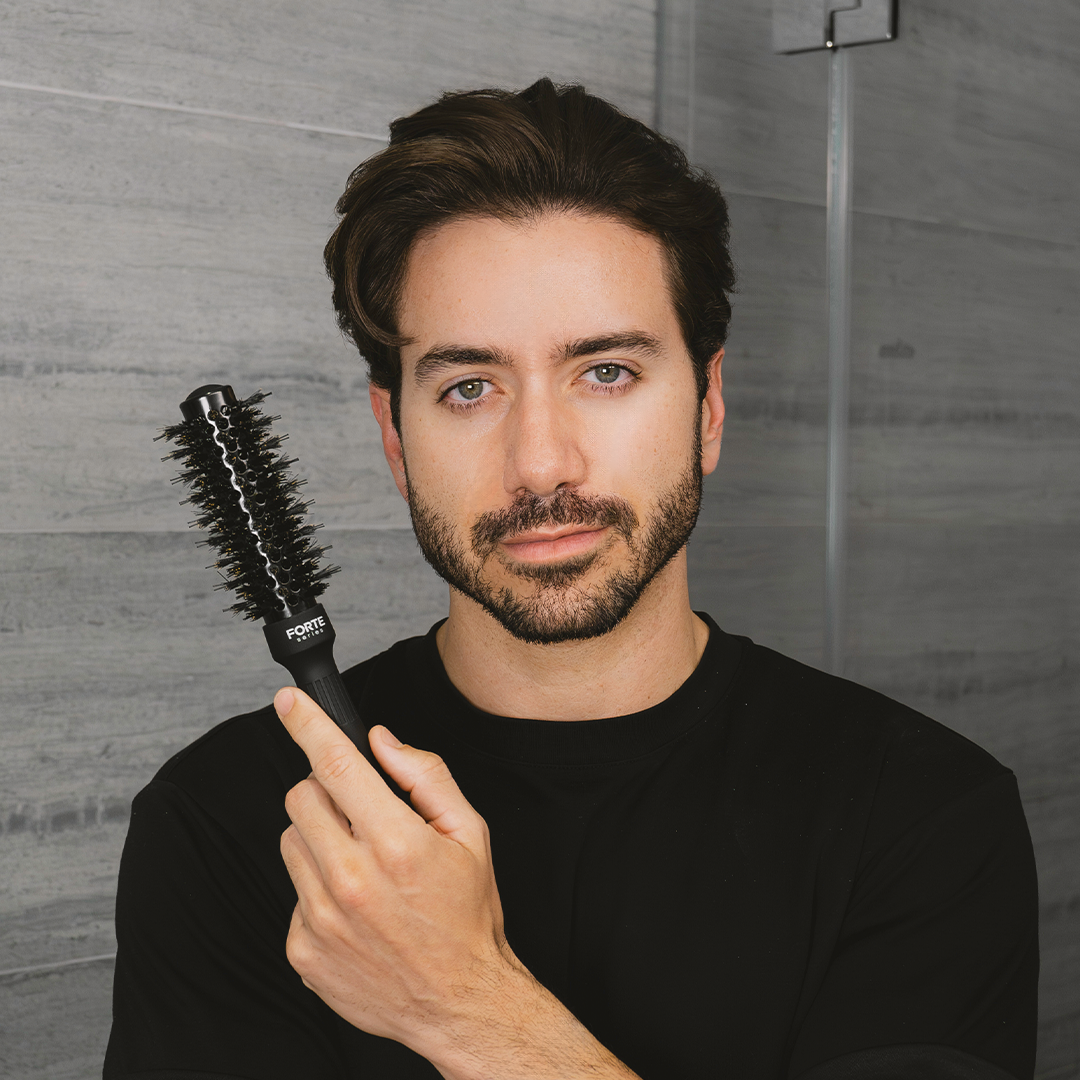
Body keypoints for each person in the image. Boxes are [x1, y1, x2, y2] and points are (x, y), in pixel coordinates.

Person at [104, 79, 1039, 1080]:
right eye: (470, 388)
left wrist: (470, 1010)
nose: (541, 463)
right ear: (395, 437)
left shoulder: (920, 815)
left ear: (710, 408)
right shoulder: (232, 823)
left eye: (606, 373)